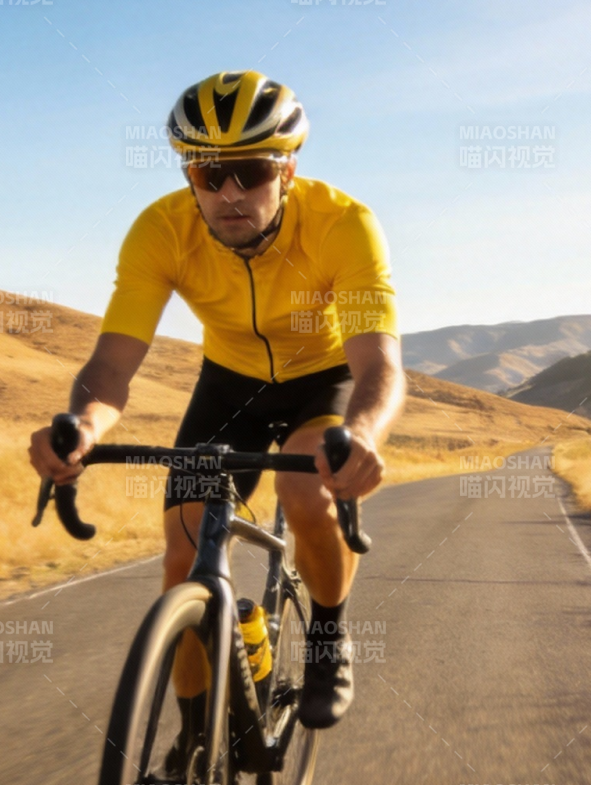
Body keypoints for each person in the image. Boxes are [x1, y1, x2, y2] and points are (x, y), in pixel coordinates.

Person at [29, 70, 404, 743]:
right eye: (209, 176)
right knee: (182, 556)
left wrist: (364, 432)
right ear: (188, 177)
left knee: (303, 484)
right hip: (229, 386)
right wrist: (83, 426)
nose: (231, 194)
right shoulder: (160, 230)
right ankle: (197, 733)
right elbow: (113, 364)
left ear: (287, 170)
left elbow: (377, 363)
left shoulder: (345, 225)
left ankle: (327, 635)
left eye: (252, 171)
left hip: (321, 381)